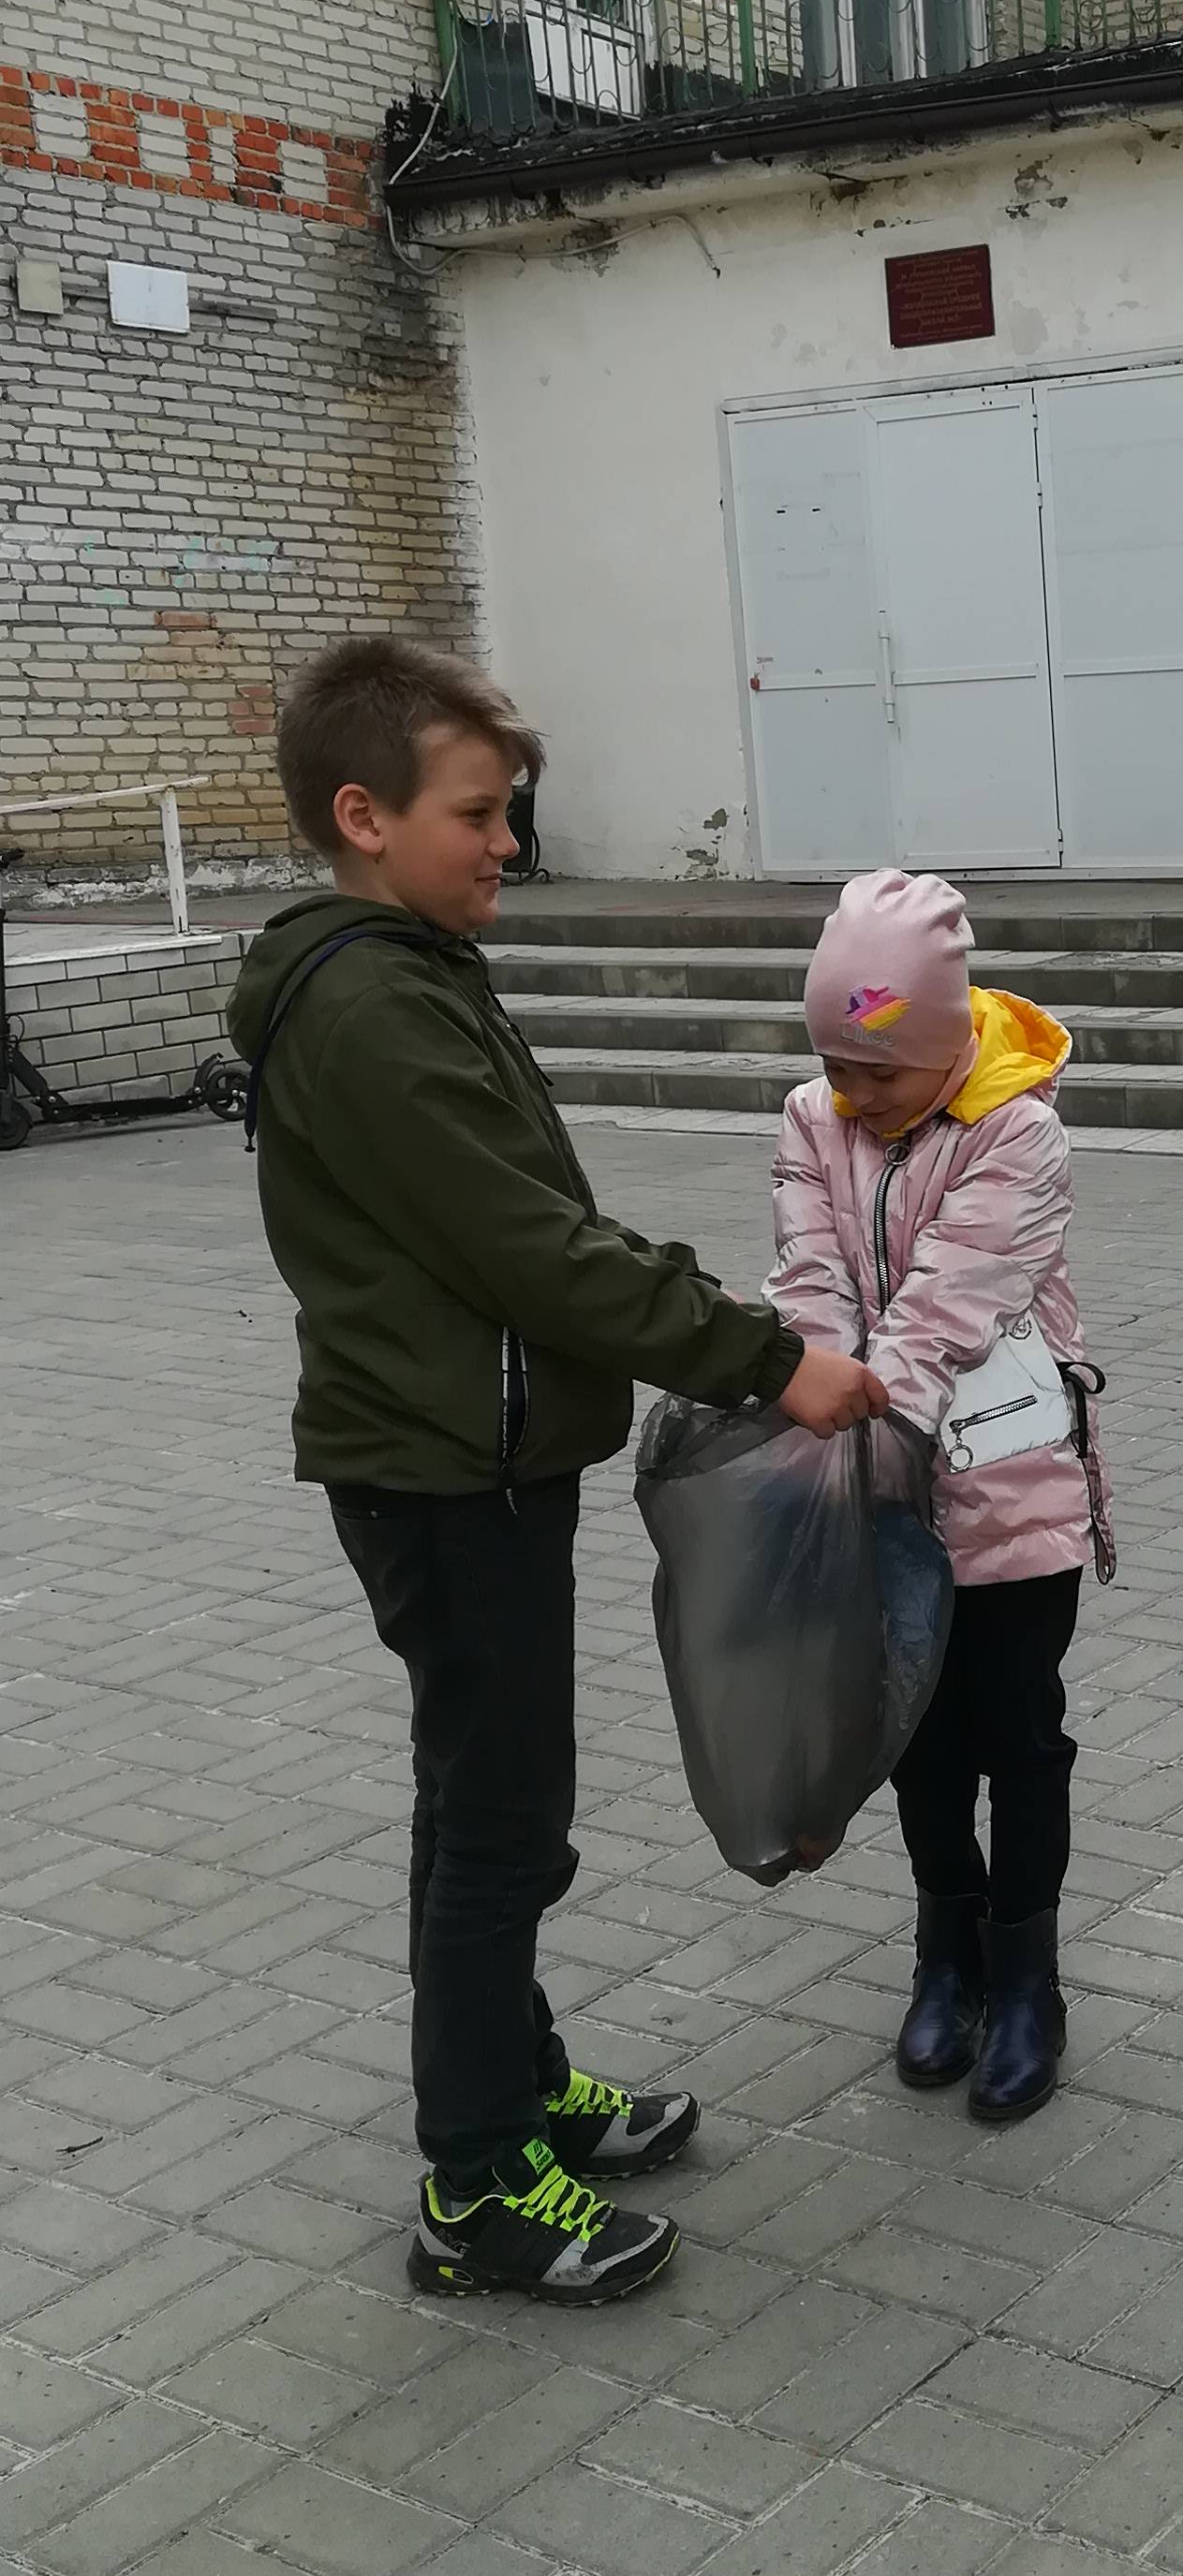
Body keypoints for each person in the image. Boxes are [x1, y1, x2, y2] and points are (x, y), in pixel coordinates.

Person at [230, 640, 883, 2306]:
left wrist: (700, 1304)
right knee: (503, 1823)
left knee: (486, 1802)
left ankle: (516, 2090)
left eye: (510, 810)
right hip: (448, 1474)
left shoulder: (407, 964)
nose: (508, 841)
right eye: (478, 814)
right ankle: (475, 2189)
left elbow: (531, 1222)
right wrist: (761, 1358)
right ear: (363, 814)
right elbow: (530, 1248)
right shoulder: (373, 1001)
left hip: (468, 1450)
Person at [768, 870, 1109, 2124]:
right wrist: (813, 1382)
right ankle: (944, 1959)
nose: (857, 1099)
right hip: (879, 1487)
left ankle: (1028, 1983)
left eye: (884, 1076)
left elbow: (953, 1301)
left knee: (1017, 1740)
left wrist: (859, 1415)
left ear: (947, 1039)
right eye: (838, 1069)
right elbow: (808, 1270)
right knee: (915, 1739)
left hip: (1006, 1491)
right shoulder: (816, 1115)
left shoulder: (1018, 1130)